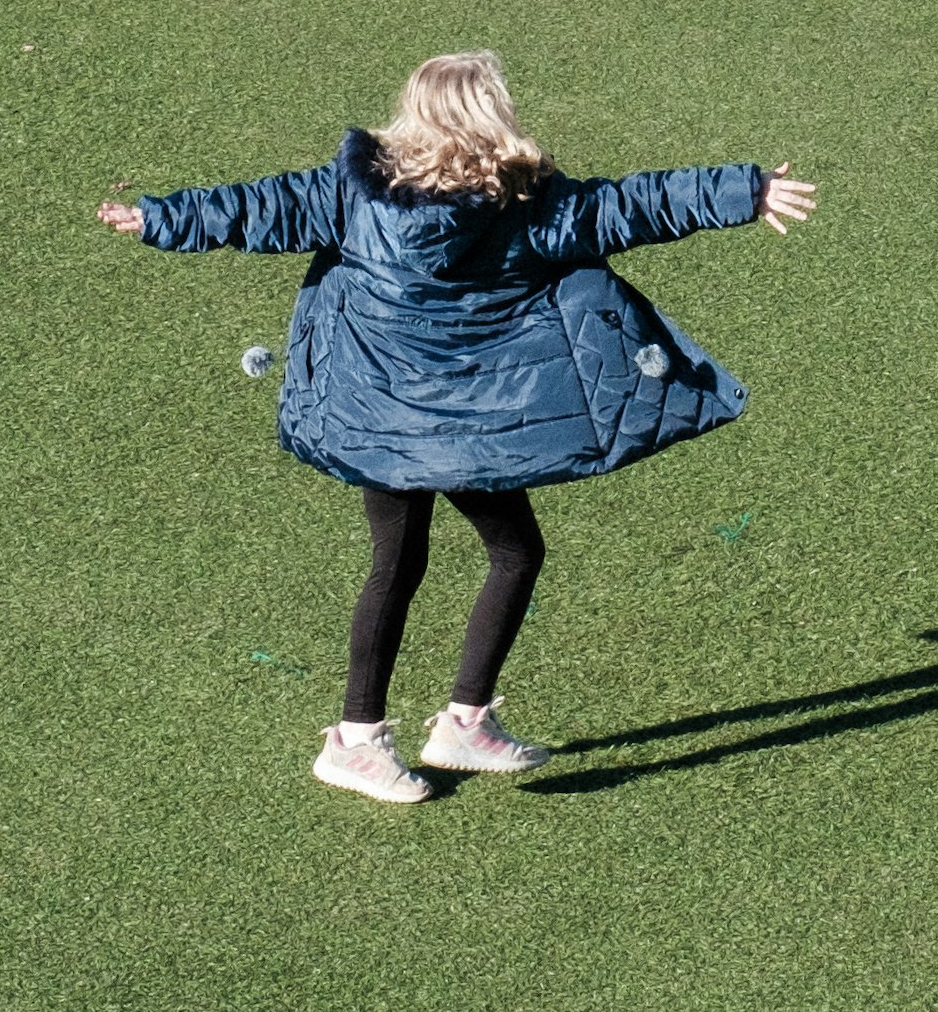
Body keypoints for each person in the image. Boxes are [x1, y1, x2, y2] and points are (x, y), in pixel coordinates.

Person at [100, 49, 817, 803]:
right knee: (513, 553)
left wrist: (157, 217)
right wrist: (748, 191)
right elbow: (631, 205)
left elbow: (257, 208)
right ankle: (458, 723)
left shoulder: (350, 191)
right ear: (489, 117)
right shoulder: (525, 204)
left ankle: (362, 738)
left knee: (396, 565)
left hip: (376, 420)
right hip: (475, 429)